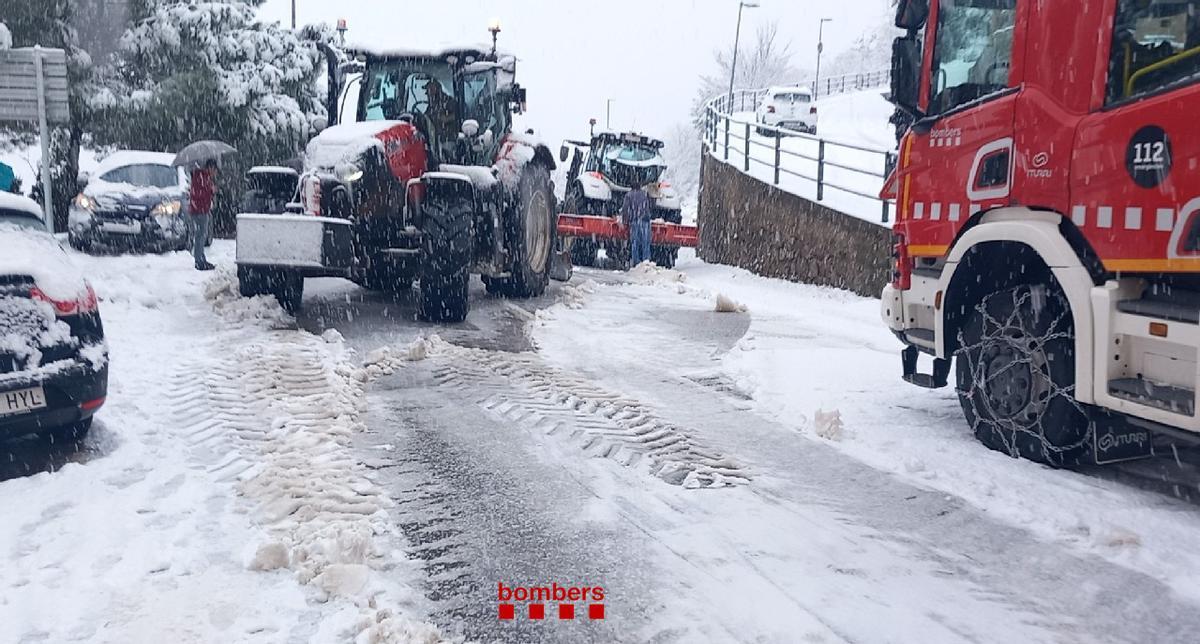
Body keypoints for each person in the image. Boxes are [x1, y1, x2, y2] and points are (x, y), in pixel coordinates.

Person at [188, 159, 218, 271]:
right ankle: (199, 261)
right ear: (210, 168)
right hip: (199, 210)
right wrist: (211, 190)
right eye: (214, 170)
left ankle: (201, 259)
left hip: (202, 209)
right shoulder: (201, 177)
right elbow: (198, 193)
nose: (215, 173)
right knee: (200, 236)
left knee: (202, 235)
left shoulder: (204, 177)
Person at [621, 182, 653, 267]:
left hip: (634, 221)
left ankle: (637, 263)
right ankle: (646, 261)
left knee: (635, 242)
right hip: (645, 221)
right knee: (646, 243)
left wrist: (625, 220)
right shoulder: (645, 194)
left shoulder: (629, 195)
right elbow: (648, 206)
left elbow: (625, 209)